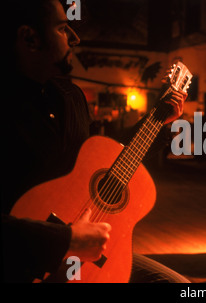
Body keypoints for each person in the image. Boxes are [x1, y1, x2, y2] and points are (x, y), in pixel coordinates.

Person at [2, 0, 189, 283]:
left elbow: (104, 159)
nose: (75, 38)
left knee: (176, 284)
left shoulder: (71, 97)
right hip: (24, 262)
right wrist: (64, 240)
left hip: (87, 253)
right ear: (30, 38)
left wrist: (158, 119)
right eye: (63, 28)